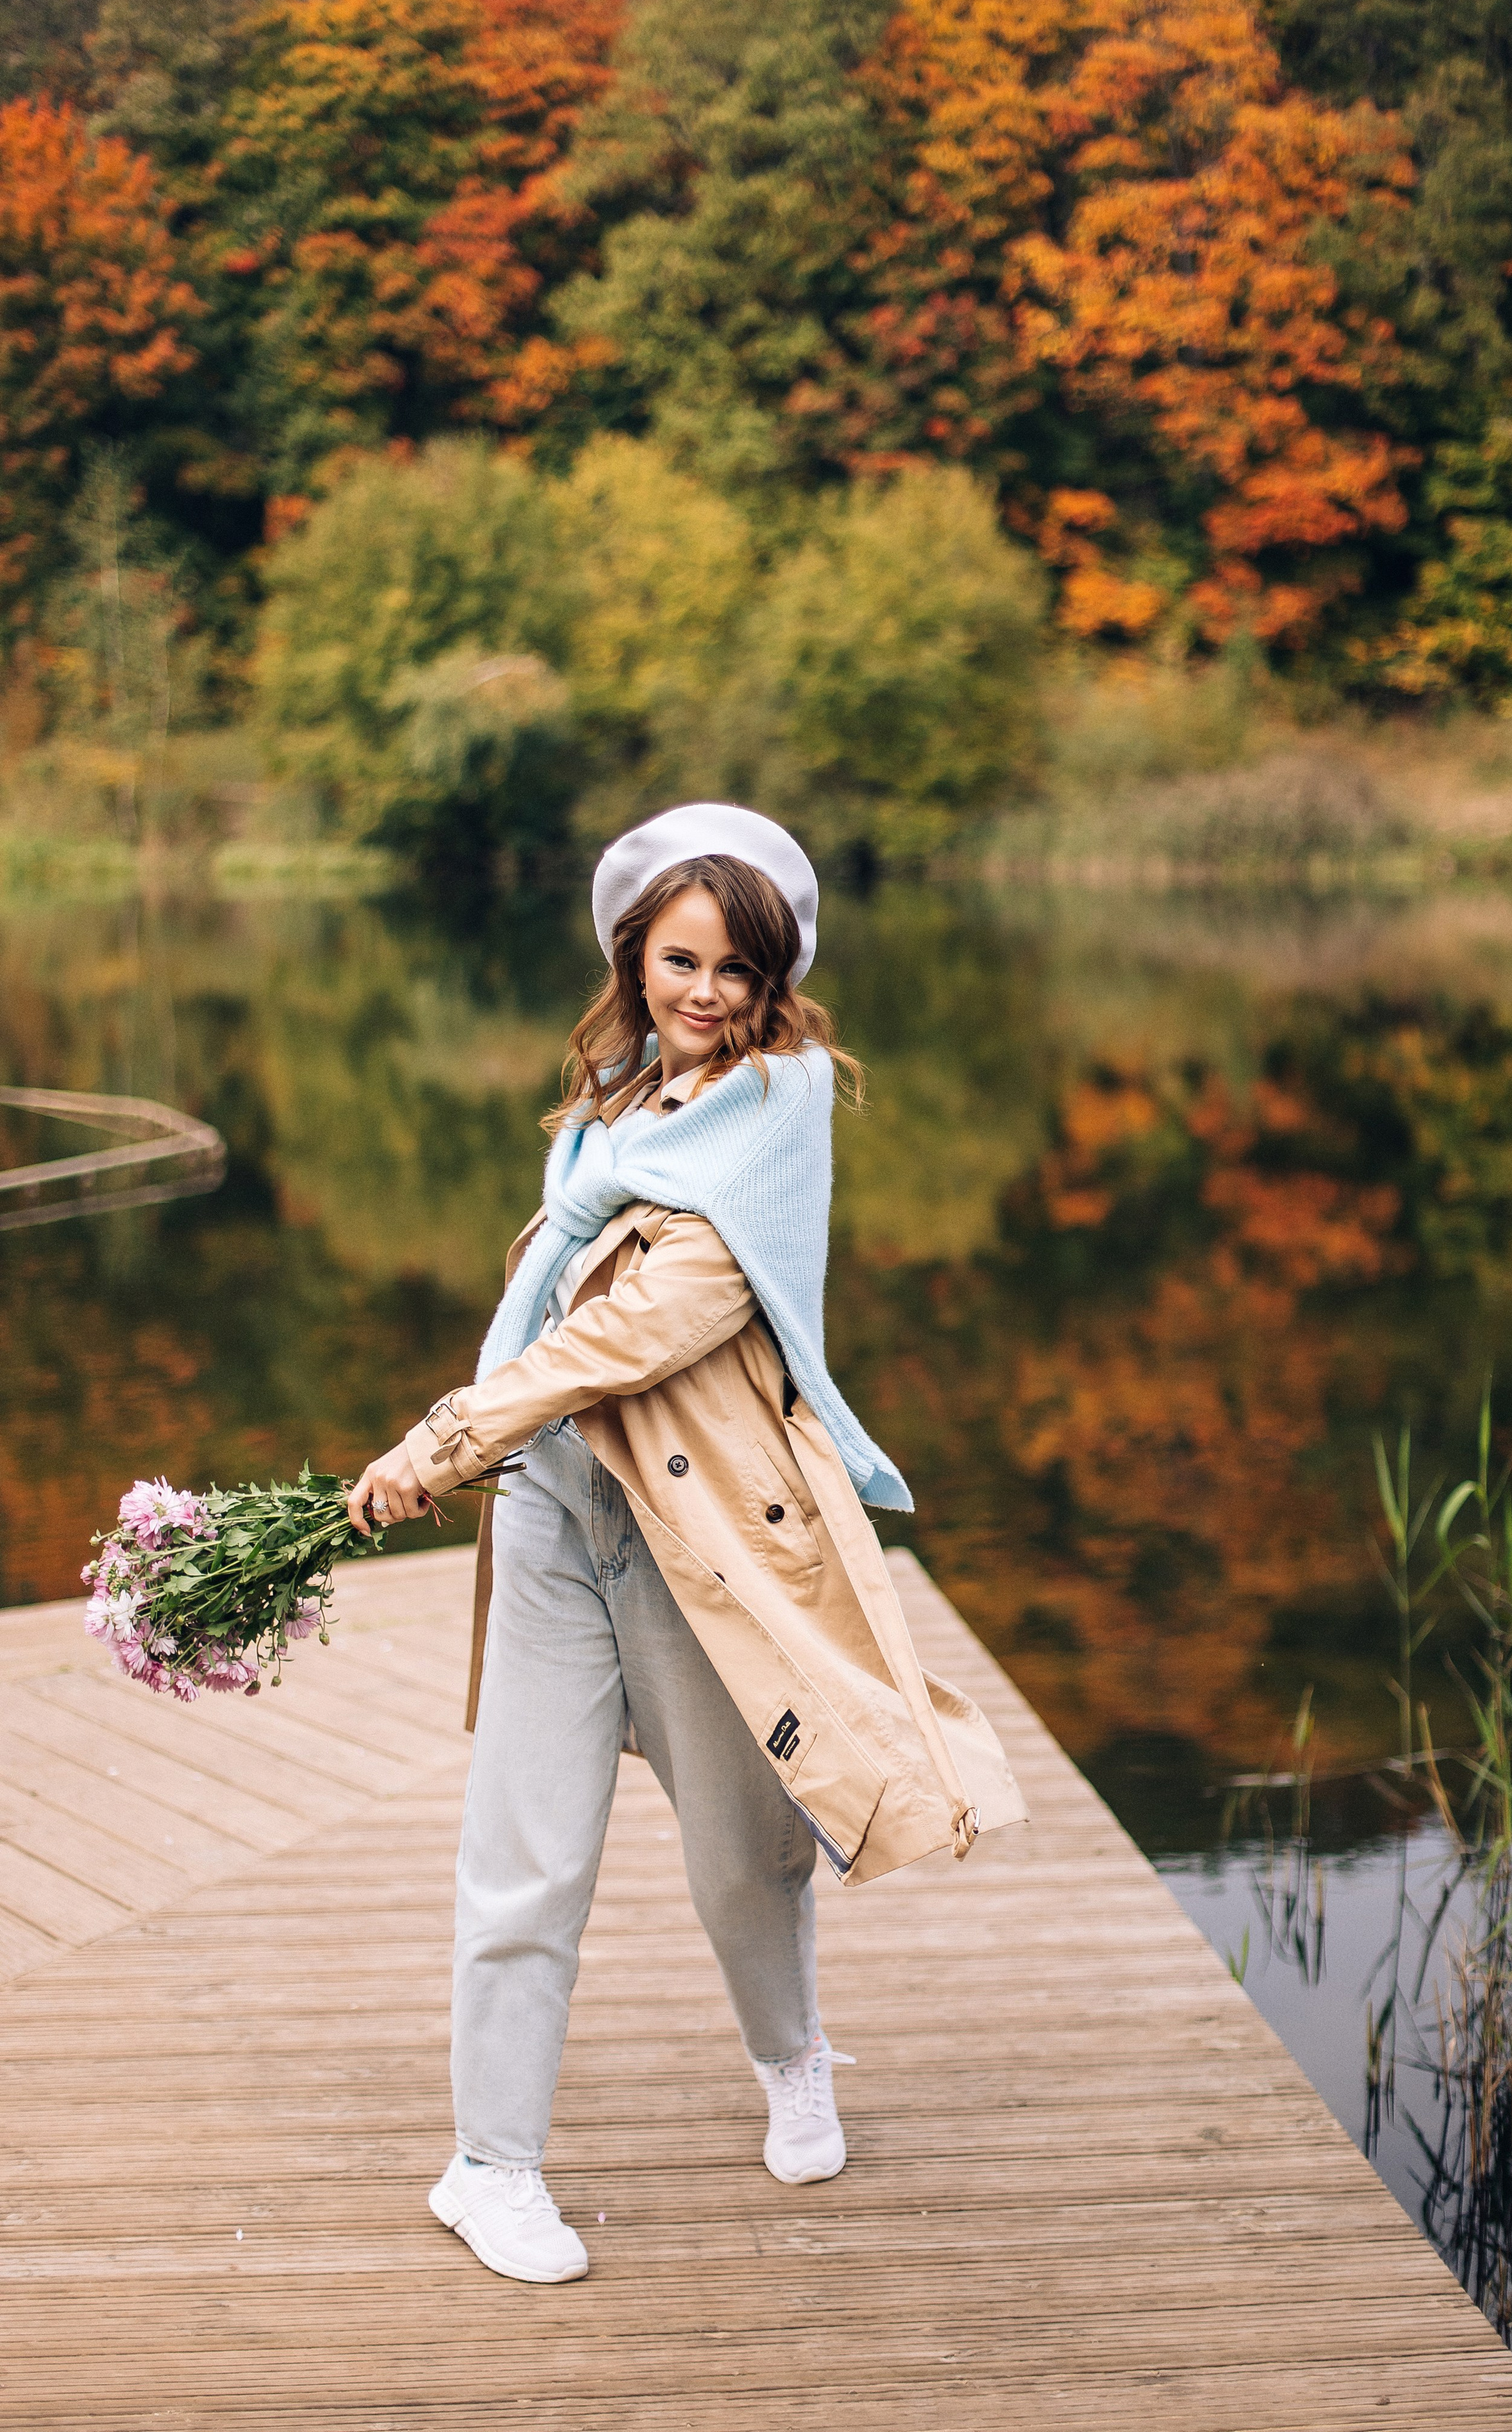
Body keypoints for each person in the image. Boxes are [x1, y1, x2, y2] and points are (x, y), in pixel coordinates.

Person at [349, 803, 1023, 2288]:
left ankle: (792, 2058)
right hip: (549, 1519)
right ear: (631, 958)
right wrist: (488, 1450)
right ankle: (490, 2166)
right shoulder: (609, 1107)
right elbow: (561, 1316)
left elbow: (656, 1323)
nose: (704, 992)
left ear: (774, 976)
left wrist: (439, 1440)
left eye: (735, 966)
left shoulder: (776, 1109)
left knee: (740, 1852)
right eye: (677, 960)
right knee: (521, 1860)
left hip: (697, 1537)